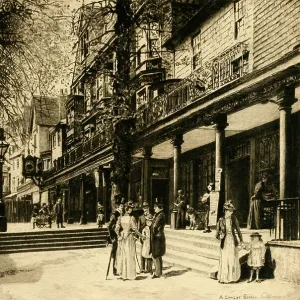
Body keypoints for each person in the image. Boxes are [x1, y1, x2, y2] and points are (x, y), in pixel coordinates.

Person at [216, 200, 243, 284]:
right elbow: (217, 234)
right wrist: (220, 236)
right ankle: (224, 278)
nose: (231, 213)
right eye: (229, 211)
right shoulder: (221, 220)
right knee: (225, 258)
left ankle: (233, 277)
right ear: (225, 211)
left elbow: (238, 230)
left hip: (232, 240)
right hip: (224, 242)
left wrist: (241, 240)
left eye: (231, 211)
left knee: (232, 258)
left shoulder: (234, 219)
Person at [115, 201, 138, 280]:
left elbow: (117, 229)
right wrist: (141, 236)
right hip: (129, 238)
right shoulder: (131, 218)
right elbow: (135, 229)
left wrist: (119, 236)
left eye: (131, 208)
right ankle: (129, 274)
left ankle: (124, 274)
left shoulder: (121, 218)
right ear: (127, 209)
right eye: (130, 208)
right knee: (128, 254)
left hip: (123, 236)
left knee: (124, 254)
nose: (131, 210)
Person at [151, 199, 166, 279]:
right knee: (157, 255)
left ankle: (157, 273)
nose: (154, 209)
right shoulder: (160, 214)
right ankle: (159, 272)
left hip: (157, 237)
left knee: (156, 254)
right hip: (158, 236)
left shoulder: (160, 215)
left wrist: (153, 230)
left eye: (155, 207)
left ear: (159, 207)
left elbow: (155, 226)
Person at [138, 201, 150, 272]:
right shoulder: (141, 217)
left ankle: (148, 268)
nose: (145, 209)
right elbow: (139, 227)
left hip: (149, 236)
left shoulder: (151, 216)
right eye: (144, 208)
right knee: (142, 251)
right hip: (143, 236)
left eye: (147, 207)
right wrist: (140, 236)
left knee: (148, 251)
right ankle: (142, 268)